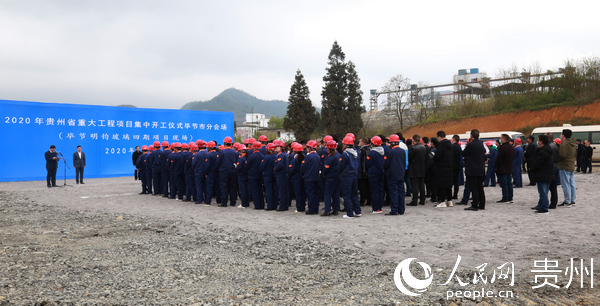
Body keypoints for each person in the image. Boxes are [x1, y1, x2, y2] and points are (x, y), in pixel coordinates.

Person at [529, 135, 554, 214]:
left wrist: (531, 169)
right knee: (544, 190)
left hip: (542, 174)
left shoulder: (542, 152)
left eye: (538, 140)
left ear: (541, 142)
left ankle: (544, 207)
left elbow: (538, 163)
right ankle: (541, 205)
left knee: (542, 191)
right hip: (548, 173)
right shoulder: (548, 150)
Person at [462, 130, 486, 211]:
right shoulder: (481, 144)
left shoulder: (471, 145)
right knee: (480, 187)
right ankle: (482, 204)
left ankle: (475, 204)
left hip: (472, 168)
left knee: (473, 187)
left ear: (471, 136)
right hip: (480, 168)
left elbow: (464, 153)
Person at [384, 134, 408, 215]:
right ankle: (401, 209)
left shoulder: (390, 152)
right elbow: (404, 162)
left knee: (393, 192)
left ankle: (394, 209)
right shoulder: (402, 151)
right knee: (400, 192)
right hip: (401, 174)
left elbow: (386, 164)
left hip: (392, 175)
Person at [338, 136, 361, 219]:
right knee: (354, 193)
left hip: (347, 176)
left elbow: (341, 166)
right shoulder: (356, 152)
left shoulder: (345, 154)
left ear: (346, 145)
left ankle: (349, 213)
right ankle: (357, 211)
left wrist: (340, 172)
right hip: (354, 174)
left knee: (346, 195)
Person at [433, 131, 454, 208]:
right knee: (448, 185)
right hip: (449, 167)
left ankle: (442, 201)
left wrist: (433, 157)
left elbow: (437, 157)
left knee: (441, 185)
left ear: (439, 137)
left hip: (441, 168)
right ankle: (449, 201)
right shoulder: (450, 145)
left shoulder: (441, 145)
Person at [366, 136, 385, 214]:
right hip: (381, 173)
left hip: (373, 174)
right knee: (380, 190)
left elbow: (367, 163)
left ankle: (375, 208)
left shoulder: (373, 153)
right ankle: (379, 207)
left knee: (374, 191)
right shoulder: (382, 151)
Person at [217, 137, 238, 207]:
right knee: (232, 186)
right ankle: (233, 202)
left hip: (223, 171)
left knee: (224, 187)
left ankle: (224, 202)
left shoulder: (222, 152)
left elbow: (218, 162)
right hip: (233, 171)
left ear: (225, 143)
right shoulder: (235, 152)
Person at [321, 140, 341, 216]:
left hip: (330, 177)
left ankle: (327, 210)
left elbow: (326, 168)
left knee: (327, 194)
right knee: (336, 194)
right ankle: (336, 209)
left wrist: (324, 174)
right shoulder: (338, 155)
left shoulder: (330, 157)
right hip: (338, 176)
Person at [558, 129, 577, 206]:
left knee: (565, 184)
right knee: (572, 183)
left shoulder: (564, 144)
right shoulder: (573, 143)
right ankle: (573, 200)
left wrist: (557, 159)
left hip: (564, 165)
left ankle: (567, 201)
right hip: (571, 164)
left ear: (563, 135)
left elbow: (562, 155)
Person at [301, 140, 320, 215]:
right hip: (316, 177)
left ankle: (311, 209)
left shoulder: (308, 157)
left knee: (310, 194)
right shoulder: (318, 156)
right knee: (316, 194)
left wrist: (302, 174)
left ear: (309, 148)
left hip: (309, 178)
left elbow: (303, 167)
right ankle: (315, 209)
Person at [407, 134, 427, 206]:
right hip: (422, 168)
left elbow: (409, 157)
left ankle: (414, 200)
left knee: (414, 185)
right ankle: (422, 200)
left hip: (414, 169)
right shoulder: (423, 147)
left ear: (413, 140)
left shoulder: (413, 148)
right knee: (421, 185)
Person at [495, 134, 515, 203]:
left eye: (500, 138)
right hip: (509, 167)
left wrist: (496, 166)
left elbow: (499, 159)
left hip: (502, 168)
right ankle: (510, 197)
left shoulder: (502, 148)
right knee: (509, 183)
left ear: (503, 139)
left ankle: (505, 197)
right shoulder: (511, 147)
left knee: (504, 184)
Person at [247, 141, 265, 210]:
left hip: (252, 175)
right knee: (260, 190)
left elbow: (247, 166)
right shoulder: (262, 156)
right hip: (260, 175)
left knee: (255, 190)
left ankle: (257, 205)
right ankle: (262, 205)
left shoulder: (251, 156)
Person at [289, 144, 306, 213]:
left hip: (296, 178)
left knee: (298, 193)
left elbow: (291, 170)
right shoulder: (305, 158)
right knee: (303, 193)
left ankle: (299, 208)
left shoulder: (294, 160)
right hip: (303, 178)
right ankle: (303, 206)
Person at [273, 140, 289, 211]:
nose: (276, 148)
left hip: (281, 174)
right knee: (284, 191)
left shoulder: (281, 155)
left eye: (278, 147)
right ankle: (285, 206)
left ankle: (282, 206)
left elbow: (280, 165)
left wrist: (275, 169)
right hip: (284, 174)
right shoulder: (283, 154)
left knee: (282, 191)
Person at [192, 140, 210, 205]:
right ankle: (206, 199)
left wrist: (195, 170)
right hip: (206, 173)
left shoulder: (197, 155)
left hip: (198, 172)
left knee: (198, 186)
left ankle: (199, 199)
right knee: (205, 186)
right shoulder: (208, 154)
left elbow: (193, 164)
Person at [261, 143, 278, 211]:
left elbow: (262, 167)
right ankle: (275, 205)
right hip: (274, 175)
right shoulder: (276, 156)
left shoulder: (266, 157)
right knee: (275, 190)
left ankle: (270, 205)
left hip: (267, 176)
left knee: (268, 191)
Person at [358, 137, 372, 206]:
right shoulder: (370, 149)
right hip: (368, 170)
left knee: (362, 187)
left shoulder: (361, 150)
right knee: (368, 186)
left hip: (362, 171)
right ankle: (369, 200)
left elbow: (359, 160)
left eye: (360, 141)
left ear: (363, 143)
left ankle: (362, 201)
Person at [451, 135, 462, 199]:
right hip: (457, 165)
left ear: (453, 139)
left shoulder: (452, 146)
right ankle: (455, 194)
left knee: (451, 181)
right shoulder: (458, 147)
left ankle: (449, 194)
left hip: (452, 166)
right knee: (456, 182)